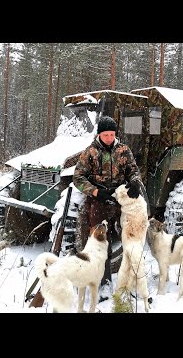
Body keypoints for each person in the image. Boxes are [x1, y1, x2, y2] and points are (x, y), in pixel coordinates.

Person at [73, 116, 142, 301]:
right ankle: (104, 284)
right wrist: (95, 191)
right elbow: (78, 178)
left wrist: (135, 182)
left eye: (112, 134)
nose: (110, 138)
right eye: (106, 135)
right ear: (99, 134)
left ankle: (131, 282)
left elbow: (133, 171)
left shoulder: (123, 150)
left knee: (131, 240)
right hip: (99, 203)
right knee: (101, 244)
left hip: (122, 201)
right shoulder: (90, 152)